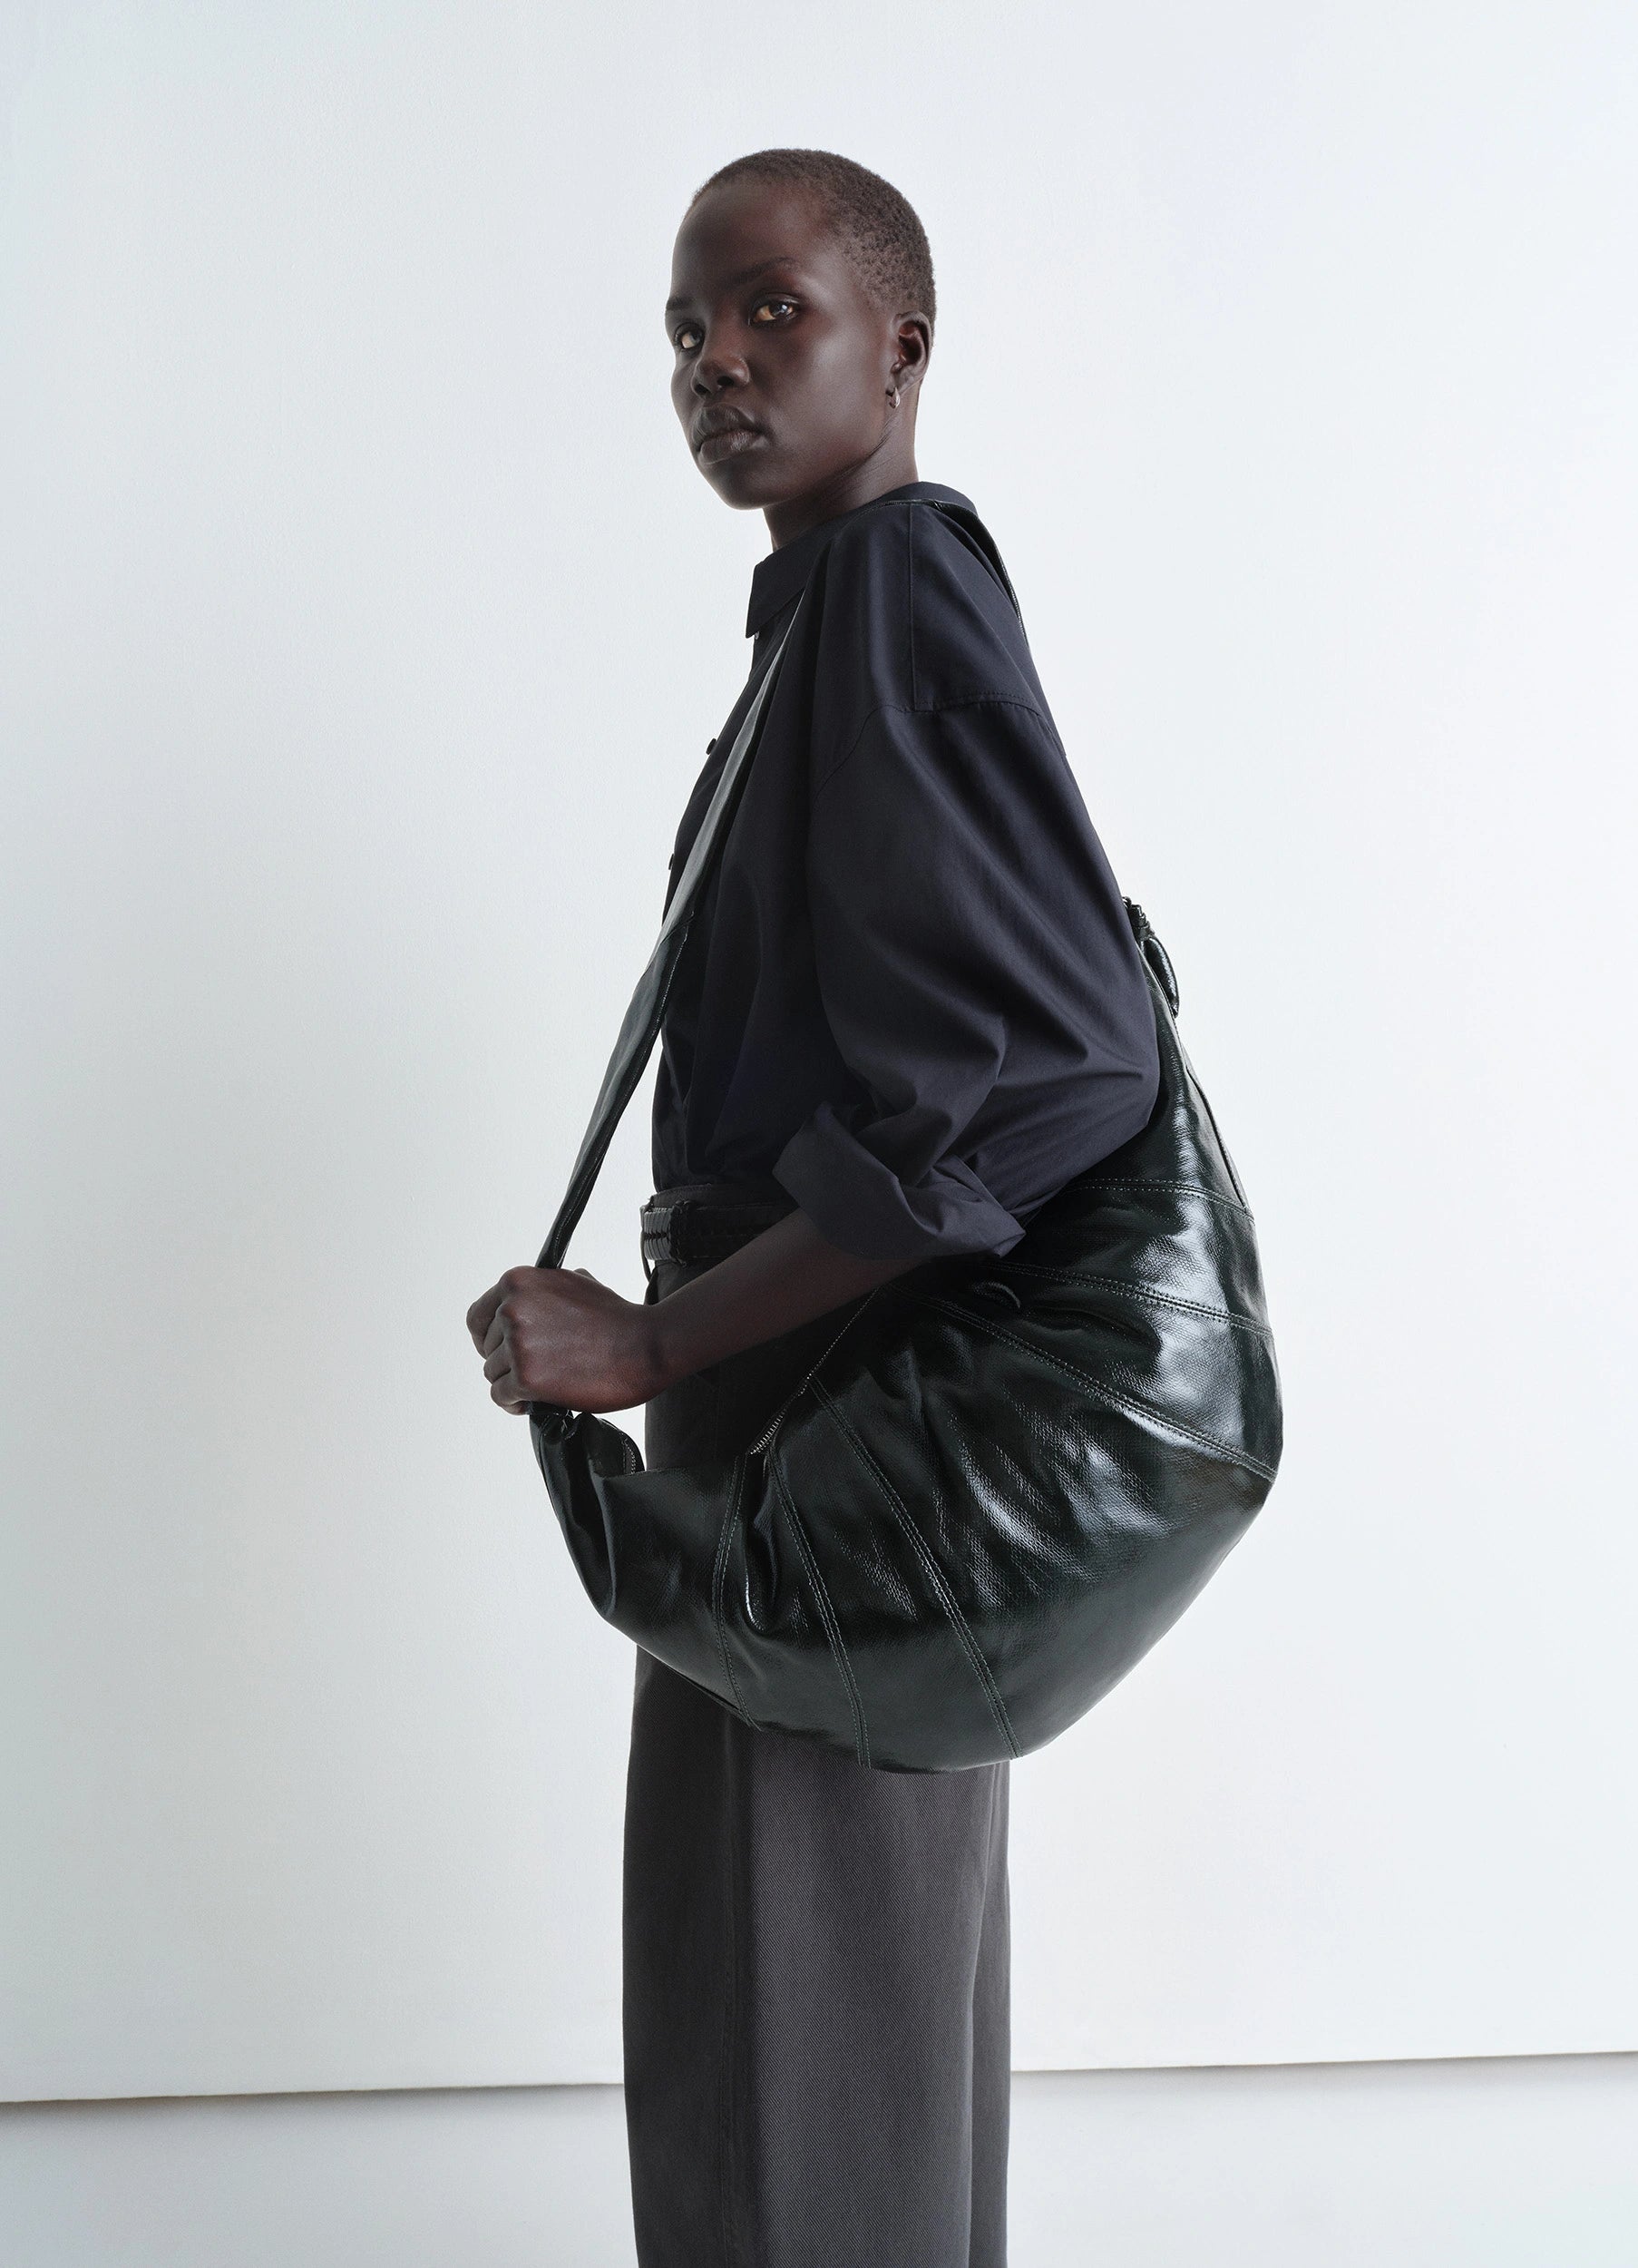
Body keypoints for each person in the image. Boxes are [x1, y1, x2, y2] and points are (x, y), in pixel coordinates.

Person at [467, 149, 1160, 2268]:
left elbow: (1056, 1067)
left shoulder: (895, 593)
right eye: (688, 329)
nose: (718, 363)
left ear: (903, 343)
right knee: (828, 2037)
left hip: (825, 1421)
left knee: (789, 2030)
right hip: (823, 1425)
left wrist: (660, 1338)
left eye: (773, 309)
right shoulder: (831, 621)